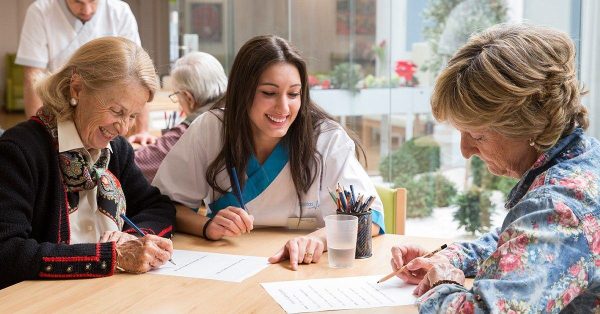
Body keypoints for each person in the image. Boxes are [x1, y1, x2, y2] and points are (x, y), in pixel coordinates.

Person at [388, 24, 600, 313]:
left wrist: (442, 286)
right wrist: (451, 257)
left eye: (477, 136)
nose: (465, 151)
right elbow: (523, 243)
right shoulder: (585, 158)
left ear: (529, 125)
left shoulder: (558, 208)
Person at [152, 35, 385, 270]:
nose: (283, 108)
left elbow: (370, 219)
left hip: (307, 266)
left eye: (293, 94)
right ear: (243, 91)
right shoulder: (210, 129)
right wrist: (206, 226)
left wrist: (318, 239)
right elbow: (164, 205)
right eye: (269, 93)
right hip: (230, 262)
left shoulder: (326, 138)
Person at [0, 37, 176, 289]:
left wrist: (133, 239)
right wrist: (110, 257)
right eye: (117, 111)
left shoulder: (116, 149)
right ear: (77, 88)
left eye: (133, 116)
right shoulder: (20, 151)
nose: (124, 127)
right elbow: (7, 252)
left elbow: (159, 208)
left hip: (106, 293)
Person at [16, 0, 140, 119]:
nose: (87, 10)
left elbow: (137, 70)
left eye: (93, 1)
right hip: (58, 108)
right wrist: (36, 131)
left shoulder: (120, 12)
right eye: (77, 1)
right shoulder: (40, 11)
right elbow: (33, 77)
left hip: (110, 107)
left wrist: (142, 129)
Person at [135, 51, 227, 182]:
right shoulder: (240, 110)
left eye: (177, 97)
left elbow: (134, 166)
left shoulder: (192, 130)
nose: (179, 105)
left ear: (188, 98)